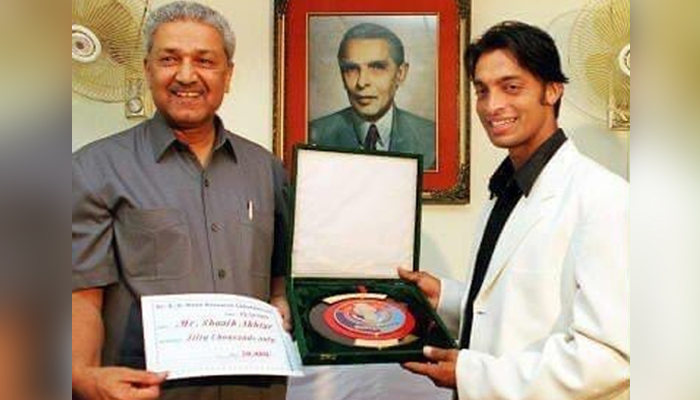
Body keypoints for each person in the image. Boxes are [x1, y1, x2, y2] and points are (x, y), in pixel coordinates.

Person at [398, 21, 629, 399]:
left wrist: (472, 374)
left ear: (553, 90)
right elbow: (518, 306)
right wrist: (446, 297)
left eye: (511, 87)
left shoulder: (605, 198)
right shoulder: (504, 190)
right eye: (482, 90)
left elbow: (607, 358)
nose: (492, 106)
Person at [71, 2, 290, 399]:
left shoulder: (268, 170)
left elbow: (279, 276)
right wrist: (82, 376)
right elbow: (80, 294)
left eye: (205, 61)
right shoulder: (94, 168)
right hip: (147, 392)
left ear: (229, 74)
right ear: (147, 68)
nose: (186, 75)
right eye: (169, 59)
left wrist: (281, 303)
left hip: (254, 390)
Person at [309, 22, 436, 170]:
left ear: (400, 74)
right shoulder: (314, 135)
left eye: (377, 67)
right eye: (351, 69)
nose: (362, 82)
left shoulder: (432, 138)